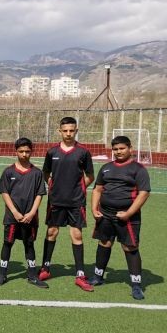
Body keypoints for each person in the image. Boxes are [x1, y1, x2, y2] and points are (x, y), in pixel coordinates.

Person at [88, 136, 151, 300]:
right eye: (115, 149)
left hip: (128, 217)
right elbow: (97, 189)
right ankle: (98, 276)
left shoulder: (138, 169)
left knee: (130, 247)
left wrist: (128, 213)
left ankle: (136, 285)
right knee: (104, 243)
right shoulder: (106, 168)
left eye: (122, 148)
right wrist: (94, 209)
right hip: (105, 214)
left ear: (130, 149)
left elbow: (144, 193)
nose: (118, 152)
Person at [41, 116, 95, 291]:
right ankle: (45, 268)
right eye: (65, 131)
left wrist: (78, 188)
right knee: (51, 232)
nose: (68, 133)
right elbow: (46, 173)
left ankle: (80, 274)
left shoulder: (83, 152)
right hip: (56, 200)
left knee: (77, 235)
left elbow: (90, 176)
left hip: (76, 201)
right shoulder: (52, 152)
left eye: (72, 130)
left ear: (76, 131)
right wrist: (53, 185)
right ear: (60, 131)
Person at [0, 137, 48, 287]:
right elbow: (4, 192)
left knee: (29, 244)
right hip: (13, 216)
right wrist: (15, 212)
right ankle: (2, 274)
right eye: (21, 151)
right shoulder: (8, 171)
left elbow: (39, 194)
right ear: (16, 152)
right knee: (7, 243)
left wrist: (31, 213)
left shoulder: (37, 173)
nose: (24, 154)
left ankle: (32, 275)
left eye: (27, 151)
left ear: (32, 152)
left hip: (30, 217)